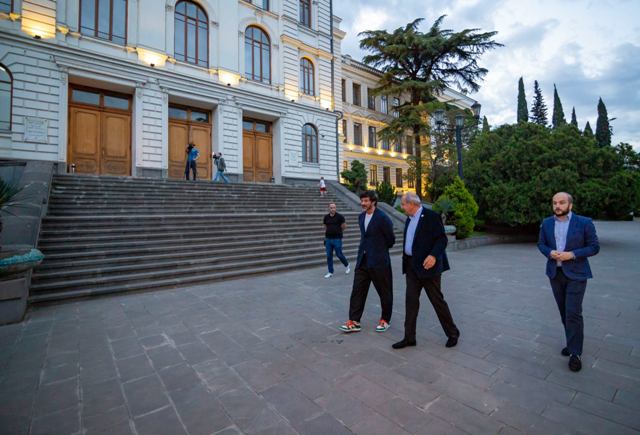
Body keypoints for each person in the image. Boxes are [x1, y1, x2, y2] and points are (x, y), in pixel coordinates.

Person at [537, 192, 599, 372]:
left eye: (562, 202)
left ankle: (575, 353)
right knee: (564, 311)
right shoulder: (547, 223)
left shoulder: (584, 222)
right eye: (555, 203)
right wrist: (549, 252)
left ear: (570, 205)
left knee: (573, 313)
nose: (557, 206)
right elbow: (541, 244)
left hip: (577, 274)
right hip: (555, 274)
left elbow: (594, 247)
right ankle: (572, 342)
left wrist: (572, 254)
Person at [392, 192, 460, 350]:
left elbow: (442, 239)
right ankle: (409, 337)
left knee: (437, 301)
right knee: (411, 302)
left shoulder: (431, 216)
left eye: (403, 204)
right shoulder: (409, 219)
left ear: (412, 204)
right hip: (412, 267)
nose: (402, 207)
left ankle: (453, 333)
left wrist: (433, 255)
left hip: (428, 268)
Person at [339, 190, 395, 333]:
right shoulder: (361, 217)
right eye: (362, 201)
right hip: (363, 260)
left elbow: (391, 239)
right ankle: (354, 321)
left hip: (379, 262)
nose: (362, 203)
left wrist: (379, 250)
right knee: (357, 291)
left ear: (373, 201)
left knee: (384, 291)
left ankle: (385, 320)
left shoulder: (383, 218)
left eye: (365, 201)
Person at [323, 203, 351, 279]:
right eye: (331, 207)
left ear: (336, 208)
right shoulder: (326, 217)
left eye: (334, 207)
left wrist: (338, 231)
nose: (333, 209)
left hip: (337, 239)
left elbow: (344, 226)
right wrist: (327, 236)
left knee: (339, 254)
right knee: (329, 256)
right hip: (328, 239)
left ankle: (347, 265)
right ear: (328, 208)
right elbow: (325, 226)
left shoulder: (340, 217)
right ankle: (330, 272)